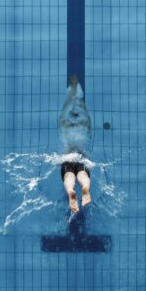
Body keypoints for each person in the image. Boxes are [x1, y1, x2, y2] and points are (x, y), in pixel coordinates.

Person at [59, 75, 92, 213]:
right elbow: (84, 114)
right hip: (82, 155)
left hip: (68, 155)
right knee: (82, 173)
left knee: (68, 174)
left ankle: (70, 190)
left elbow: (65, 110)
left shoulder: (64, 123)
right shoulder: (85, 124)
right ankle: (85, 187)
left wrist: (72, 91)